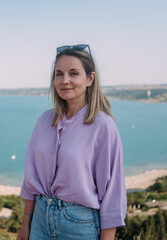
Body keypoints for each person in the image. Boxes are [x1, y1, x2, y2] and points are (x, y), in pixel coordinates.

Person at [17, 44, 127, 240]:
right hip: (40, 222)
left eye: (73, 73)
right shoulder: (44, 121)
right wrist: (25, 226)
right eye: (59, 74)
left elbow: (113, 194)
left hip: (80, 227)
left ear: (90, 78)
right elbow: (31, 180)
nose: (64, 80)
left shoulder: (103, 125)